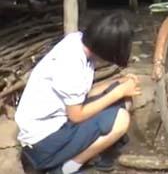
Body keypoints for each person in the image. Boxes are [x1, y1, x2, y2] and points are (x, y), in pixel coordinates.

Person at [16, 13, 138, 174]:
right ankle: (67, 167)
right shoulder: (71, 63)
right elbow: (76, 115)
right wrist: (117, 92)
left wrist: (118, 84)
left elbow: (81, 95)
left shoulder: (79, 43)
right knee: (121, 118)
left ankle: (98, 157)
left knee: (124, 99)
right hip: (42, 144)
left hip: (60, 123)